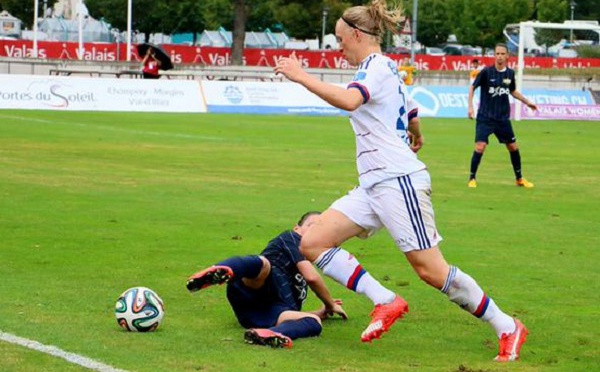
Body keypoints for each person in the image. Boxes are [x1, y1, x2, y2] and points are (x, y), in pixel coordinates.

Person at [274, 0, 528, 362]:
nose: (338, 46)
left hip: (396, 180)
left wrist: (301, 76)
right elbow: (408, 108)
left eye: (340, 39)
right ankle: (386, 300)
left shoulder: (374, 67)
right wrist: (416, 132)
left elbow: (350, 101)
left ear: (357, 34)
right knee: (312, 241)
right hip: (374, 183)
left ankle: (506, 325)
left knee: (430, 270)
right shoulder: (385, 68)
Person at [186, 212, 347, 349]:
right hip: (253, 287)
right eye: (311, 226)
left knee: (314, 321)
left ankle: (269, 334)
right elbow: (312, 277)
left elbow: (290, 312)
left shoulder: (302, 266)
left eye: (318, 230)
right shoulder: (292, 238)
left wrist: (319, 312)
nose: (314, 232)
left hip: (262, 313)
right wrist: (330, 303)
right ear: (297, 228)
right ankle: (219, 271)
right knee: (264, 264)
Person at [467, 43, 538, 188]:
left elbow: (512, 91)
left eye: (502, 54)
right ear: (494, 56)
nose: (499, 56)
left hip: (502, 118)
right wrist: (470, 107)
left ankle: (519, 179)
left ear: (507, 56)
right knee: (480, 146)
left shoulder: (510, 74)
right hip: (485, 117)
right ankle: (472, 178)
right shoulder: (486, 72)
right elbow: (473, 87)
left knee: (513, 147)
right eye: (497, 53)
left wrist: (527, 102)